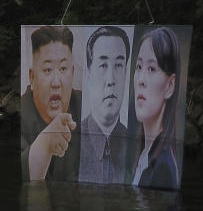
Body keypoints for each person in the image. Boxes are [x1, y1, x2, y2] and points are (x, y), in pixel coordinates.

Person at [21, 26, 81, 181]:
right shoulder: (18, 113)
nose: (56, 82)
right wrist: (45, 143)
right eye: (47, 70)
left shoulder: (87, 107)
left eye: (63, 69)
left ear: (72, 73)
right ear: (32, 78)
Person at [128, 26, 181, 189]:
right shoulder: (146, 153)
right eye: (138, 67)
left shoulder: (163, 165)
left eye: (151, 69)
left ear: (170, 85)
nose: (141, 80)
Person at [78, 26, 130, 184]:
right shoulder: (68, 142)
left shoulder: (138, 146)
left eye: (119, 66)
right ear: (88, 75)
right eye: (103, 65)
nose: (111, 80)